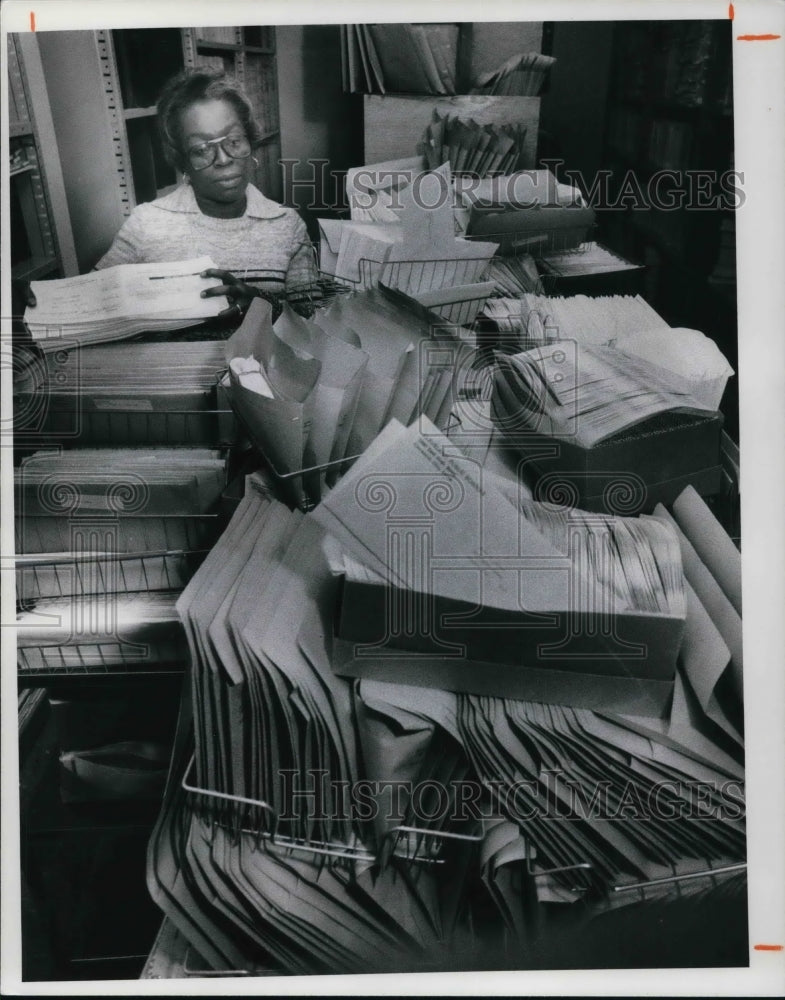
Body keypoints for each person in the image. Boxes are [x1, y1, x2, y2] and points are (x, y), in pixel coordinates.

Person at [27, 69, 317, 319]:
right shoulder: (147, 224)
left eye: (234, 140)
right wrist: (38, 306)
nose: (224, 159)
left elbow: (314, 324)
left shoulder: (287, 225)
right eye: (202, 149)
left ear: (250, 142)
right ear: (182, 161)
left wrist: (262, 304)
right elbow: (92, 303)